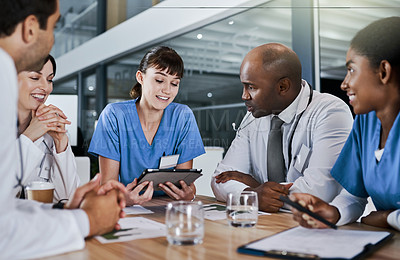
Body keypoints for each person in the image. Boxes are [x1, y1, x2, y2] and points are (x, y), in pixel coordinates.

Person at [0, 0, 132, 258]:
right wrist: (87, 221)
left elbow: (13, 207)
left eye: (49, 80)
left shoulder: (45, 125)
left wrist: (61, 145)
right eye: (54, 27)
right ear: (30, 29)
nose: (52, 39)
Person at [211, 43, 354, 212]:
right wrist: (252, 194)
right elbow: (219, 180)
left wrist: (259, 189)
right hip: (269, 226)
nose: (244, 95)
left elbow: (320, 193)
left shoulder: (330, 111)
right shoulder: (253, 117)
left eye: (252, 87)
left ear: (283, 87)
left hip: (318, 229)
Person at [290, 16, 400, 231]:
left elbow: (381, 217)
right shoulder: (365, 122)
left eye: (351, 70)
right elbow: (354, 195)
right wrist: (334, 212)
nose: (344, 83)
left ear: (383, 72)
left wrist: (388, 218)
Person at [89, 46, 205, 206]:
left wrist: (188, 194)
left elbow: (185, 183)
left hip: (167, 209)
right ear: (140, 77)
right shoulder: (115, 115)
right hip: (127, 210)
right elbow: (108, 186)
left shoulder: (182, 116)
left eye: (174, 83)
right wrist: (123, 198)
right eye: (159, 80)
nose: (167, 90)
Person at [15, 54, 80, 202]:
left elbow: (68, 198)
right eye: (35, 78)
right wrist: (28, 137)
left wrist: (60, 143)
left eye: (50, 80)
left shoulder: (48, 132)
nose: (46, 87)